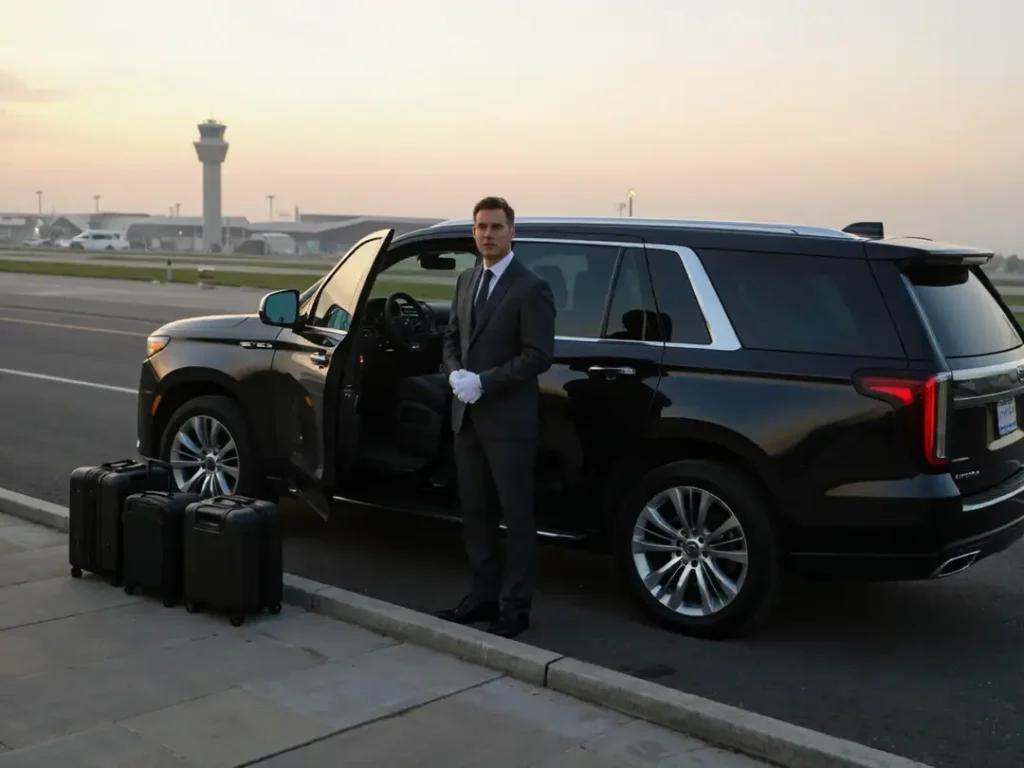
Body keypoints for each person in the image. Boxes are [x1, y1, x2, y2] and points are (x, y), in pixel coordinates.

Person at [436, 196, 556, 638]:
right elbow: (452, 339)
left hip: (508, 423)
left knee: (516, 518)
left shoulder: (530, 287)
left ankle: (515, 608)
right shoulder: (467, 279)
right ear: (474, 232)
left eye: (496, 227)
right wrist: (455, 374)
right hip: (466, 419)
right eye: (481, 227)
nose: (487, 234)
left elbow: (538, 355)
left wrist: (484, 382)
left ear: (512, 232)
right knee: (476, 514)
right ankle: (481, 597)